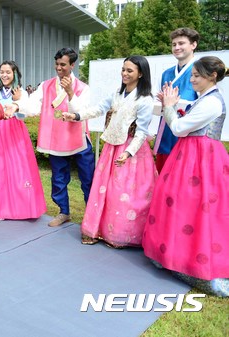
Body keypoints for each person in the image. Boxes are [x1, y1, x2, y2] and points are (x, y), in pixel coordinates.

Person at [143, 56, 228, 297]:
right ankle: (173, 254)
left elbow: (179, 128)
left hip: (199, 160)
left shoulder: (212, 102)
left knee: (195, 208)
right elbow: (189, 115)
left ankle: (190, 260)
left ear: (212, 77)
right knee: (183, 205)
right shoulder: (206, 99)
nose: (192, 79)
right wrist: (173, 103)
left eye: (197, 76)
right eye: (192, 75)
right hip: (193, 157)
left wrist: (169, 107)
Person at [62, 55, 156, 248]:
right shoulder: (117, 94)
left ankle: (123, 234)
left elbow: (142, 132)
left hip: (132, 152)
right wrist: (76, 115)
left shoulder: (145, 100)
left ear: (141, 74)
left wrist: (128, 153)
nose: (124, 73)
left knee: (124, 192)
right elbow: (97, 109)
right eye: (123, 69)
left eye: (130, 70)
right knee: (105, 189)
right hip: (112, 147)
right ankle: (100, 229)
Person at [21, 47, 95, 227]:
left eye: (63, 64)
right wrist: (18, 103)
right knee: (58, 178)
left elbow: (80, 112)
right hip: (55, 139)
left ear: (72, 65)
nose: (59, 68)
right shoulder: (45, 86)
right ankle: (64, 212)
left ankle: (92, 215)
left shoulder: (83, 88)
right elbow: (32, 108)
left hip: (78, 139)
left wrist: (70, 92)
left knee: (88, 178)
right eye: (57, 64)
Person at [0, 61, 46, 221]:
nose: (4, 75)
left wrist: (18, 104)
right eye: (2, 72)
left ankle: (21, 207)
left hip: (14, 132)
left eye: (8, 72)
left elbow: (26, 115)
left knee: (17, 169)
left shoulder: (20, 92)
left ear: (14, 73)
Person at [153, 28, 199, 173]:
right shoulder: (166, 74)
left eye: (181, 43)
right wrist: (163, 103)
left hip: (188, 137)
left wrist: (173, 103)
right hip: (166, 133)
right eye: (174, 44)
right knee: (162, 180)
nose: (177, 47)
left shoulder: (201, 72)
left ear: (193, 45)